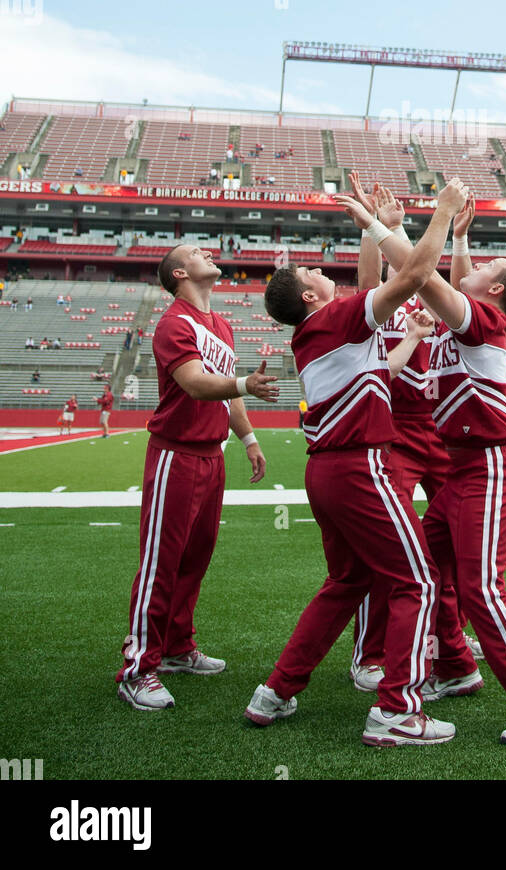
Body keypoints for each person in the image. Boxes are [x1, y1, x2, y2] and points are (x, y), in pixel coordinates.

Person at [244, 179, 470, 748]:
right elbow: (413, 276)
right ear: (314, 297)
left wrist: (373, 230)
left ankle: (276, 690)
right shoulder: (336, 319)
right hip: (359, 467)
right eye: (315, 274)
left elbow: (375, 331)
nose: (325, 272)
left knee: (345, 581)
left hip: (326, 472)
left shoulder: (319, 331)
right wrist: (438, 213)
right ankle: (398, 709)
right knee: (417, 579)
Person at [367, 190, 506, 746]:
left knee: (482, 587)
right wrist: (458, 237)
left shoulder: (481, 320)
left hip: (491, 468)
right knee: (423, 573)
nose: (472, 270)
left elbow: (419, 274)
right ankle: (455, 668)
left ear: (496, 290)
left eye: (483, 267)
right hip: (461, 471)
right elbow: (445, 279)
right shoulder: (470, 313)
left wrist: (378, 224)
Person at [116, 244, 275, 713]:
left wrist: (248, 439)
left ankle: (178, 649)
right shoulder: (173, 323)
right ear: (180, 272)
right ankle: (138, 668)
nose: (207, 252)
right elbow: (194, 383)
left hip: (212, 455)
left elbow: (226, 397)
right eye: (194, 252)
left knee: (194, 558)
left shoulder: (221, 325)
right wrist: (244, 383)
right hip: (176, 456)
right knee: (161, 563)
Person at [345, 174, 483, 692]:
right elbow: (365, 288)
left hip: (440, 429)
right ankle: (371, 652)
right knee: (389, 544)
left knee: (454, 540)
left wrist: (462, 239)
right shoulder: (394, 297)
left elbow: (466, 285)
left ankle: (447, 638)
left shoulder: (444, 299)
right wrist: (374, 228)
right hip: (395, 430)